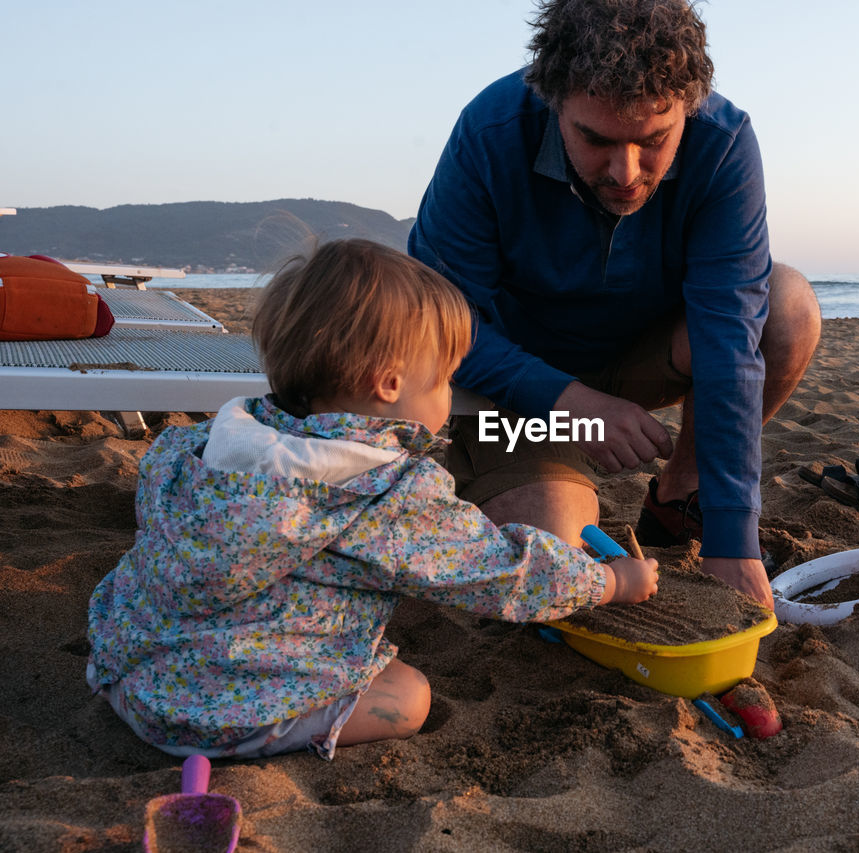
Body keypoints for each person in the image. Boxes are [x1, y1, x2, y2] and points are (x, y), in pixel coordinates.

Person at [85, 239, 658, 760]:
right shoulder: (384, 490)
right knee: (408, 695)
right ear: (388, 385)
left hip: (131, 672)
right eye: (443, 379)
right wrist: (612, 582)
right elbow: (504, 572)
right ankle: (252, 736)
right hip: (214, 715)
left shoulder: (203, 445)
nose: (447, 395)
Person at [409, 0, 822, 609]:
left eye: (654, 140)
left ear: (690, 106)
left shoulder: (724, 142)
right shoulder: (490, 131)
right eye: (597, 139)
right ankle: (505, 476)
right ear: (554, 102)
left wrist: (734, 540)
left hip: (641, 365)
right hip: (511, 403)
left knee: (787, 305)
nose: (628, 172)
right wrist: (570, 405)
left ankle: (680, 494)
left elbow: (729, 341)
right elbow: (437, 325)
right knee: (557, 568)